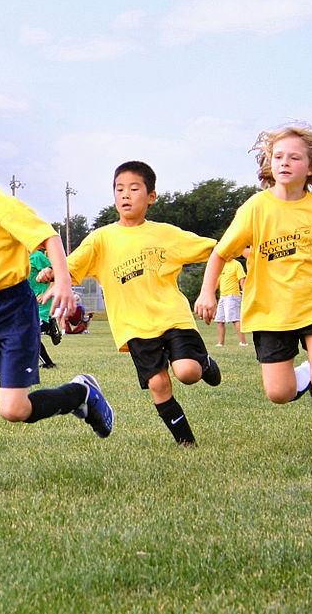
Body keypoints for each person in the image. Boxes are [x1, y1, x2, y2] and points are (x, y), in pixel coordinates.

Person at [0, 123, 113, 491]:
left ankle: (81, 394)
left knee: (13, 410)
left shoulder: (1, 205)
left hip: (12, 312)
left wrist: (63, 282)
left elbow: (48, 238)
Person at [195, 123, 312, 465]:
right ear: (269, 163)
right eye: (278, 156)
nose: (284, 162)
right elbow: (220, 253)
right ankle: (307, 374)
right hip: (270, 311)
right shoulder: (255, 208)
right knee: (279, 393)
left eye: (294, 157)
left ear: (311, 167)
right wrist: (207, 293)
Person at [68, 161, 220, 448]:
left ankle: (205, 363)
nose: (125, 195)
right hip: (134, 325)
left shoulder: (165, 234)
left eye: (134, 188)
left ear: (151, 196)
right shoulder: (101, 239)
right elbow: (71, 266)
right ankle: (186, 442)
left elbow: (215, 249)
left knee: (187, 372)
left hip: (172, 316)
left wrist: (247, 248)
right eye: (119, 189)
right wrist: (53, 272)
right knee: (158, 384)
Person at [29, 246, 61, 369]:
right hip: (29, 305)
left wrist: (46, 293)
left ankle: (48, 363)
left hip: (42, 303)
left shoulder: (37, 256)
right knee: (28, 334)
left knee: (30, 334)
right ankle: (49, 327)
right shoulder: (19, 259)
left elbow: (56, 274)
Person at [214, 251, 249, 347]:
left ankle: (243, 342)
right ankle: (220, 343)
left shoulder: (236, 264)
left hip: (232, 296)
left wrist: (245, 292)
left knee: (235, 319)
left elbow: (242, 279)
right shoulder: (221, 265)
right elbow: (217, 281)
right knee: (219, 320)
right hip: (223, 296)